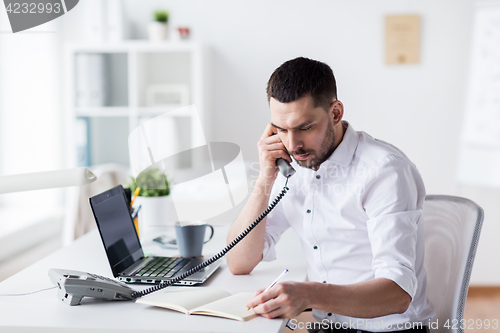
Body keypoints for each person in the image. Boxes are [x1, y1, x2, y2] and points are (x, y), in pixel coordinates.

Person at [226, 57, 435, 333]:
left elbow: (398, 293)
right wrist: (265, 177)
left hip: (391, 329)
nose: (292, 144)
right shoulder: (295, 166)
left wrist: (310, 295)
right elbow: (239, 262)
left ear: (335, 112)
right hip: (329, 327)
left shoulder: (384, 171)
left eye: (304, 127)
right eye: (281, 129)